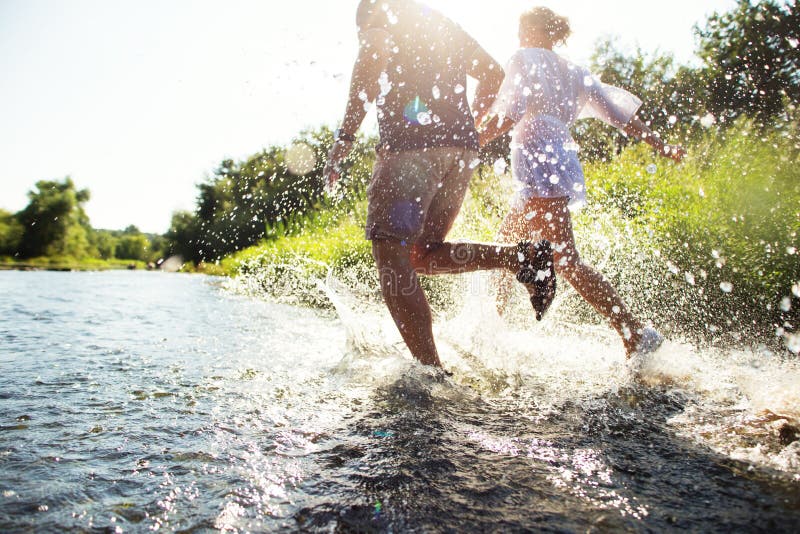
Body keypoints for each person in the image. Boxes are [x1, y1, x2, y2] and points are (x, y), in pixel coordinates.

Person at [323, 0, 556, 368]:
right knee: (422, 253)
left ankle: (431, 374)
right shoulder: (440, 20)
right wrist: (465, 127)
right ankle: (521, 257)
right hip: (460, 150)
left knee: (392, 254)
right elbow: (493, 73)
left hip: (410, 149)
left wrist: (345, 136)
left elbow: (372, 57)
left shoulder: (378, 7)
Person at [478, 6, 686, 358]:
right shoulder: (574, 71)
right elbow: (620, 117)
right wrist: (660, 144)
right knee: (505, 248)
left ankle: (633, 333)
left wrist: (470, 140)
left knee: (564, 260)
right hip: (553, 158)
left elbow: (510, 113)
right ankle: (488, 335)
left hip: (539, 160)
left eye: (521, 31)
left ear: (534, 30)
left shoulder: (523, 57)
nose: (518, 38)